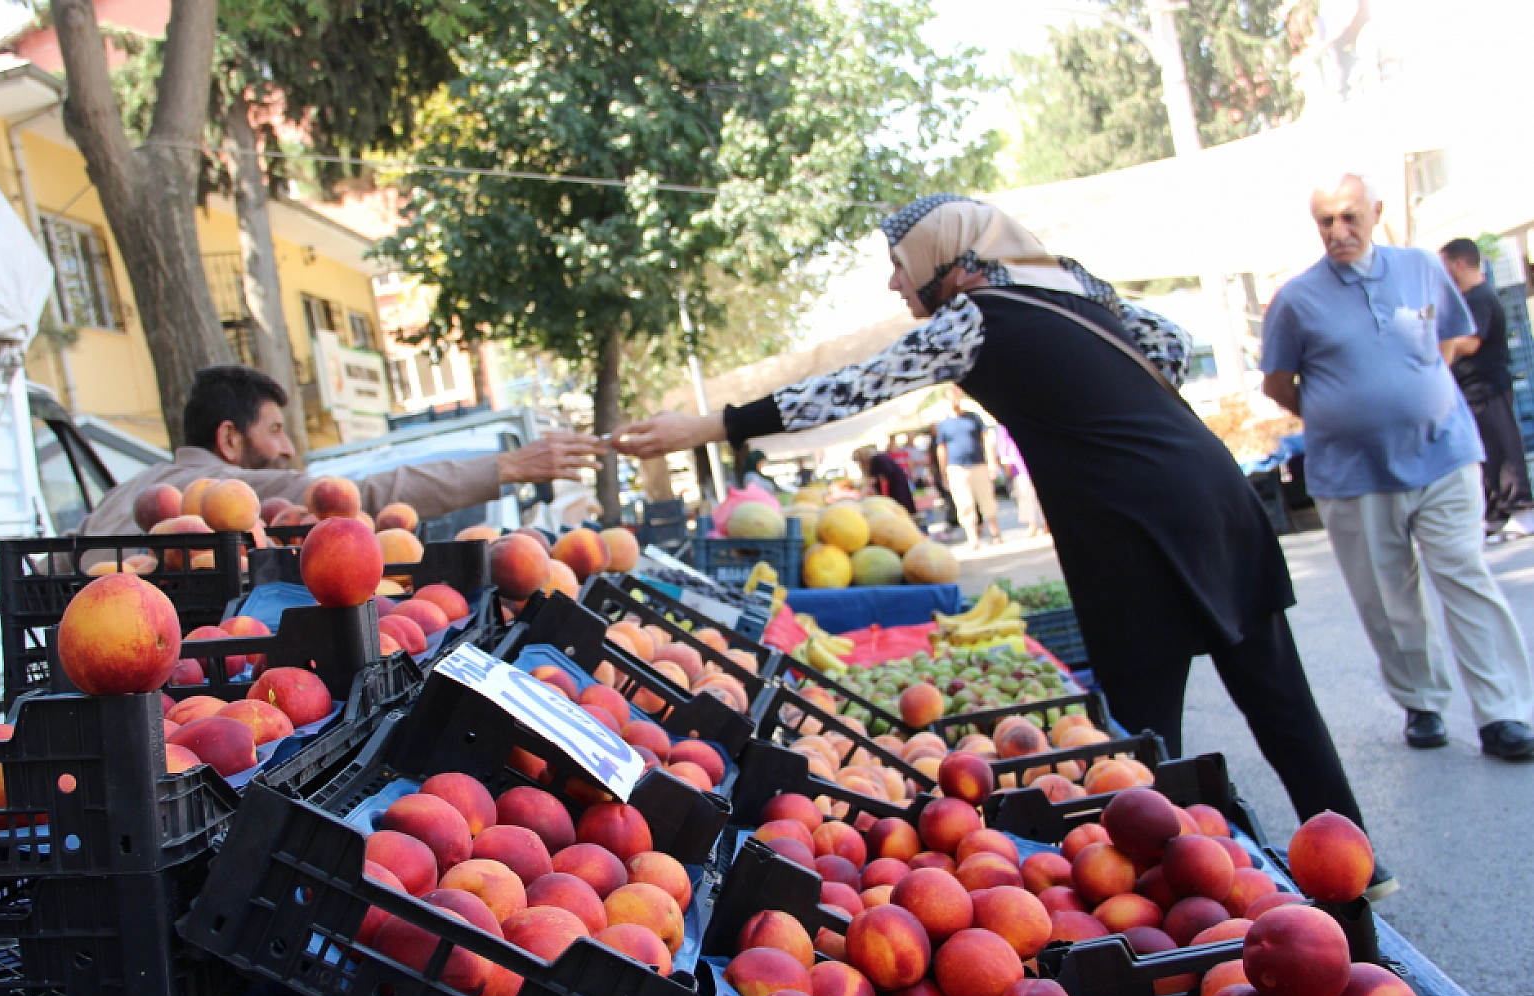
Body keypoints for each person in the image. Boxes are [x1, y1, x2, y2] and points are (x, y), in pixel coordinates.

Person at [613, 193, 1389, 893]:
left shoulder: (976, 317)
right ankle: (1357, 872)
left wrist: (710, 425)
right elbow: (1170, 343)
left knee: (1140, 737)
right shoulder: (1072, 284)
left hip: (1129, 525)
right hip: (1211, 490)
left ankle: (1177, 893)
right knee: (1279, 700)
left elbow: (853, 386)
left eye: (900, 264)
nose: (894, 282)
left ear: (944, 258)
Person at [1262, 174, 1534, 761]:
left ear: (1376, 212)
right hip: (1353, 473)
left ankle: (1504, 713)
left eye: (1350, 217)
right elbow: (1278, 384)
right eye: (1326, 221)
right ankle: (1423, 702)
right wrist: (1342, 413)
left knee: (1465, 576)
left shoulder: (1422, 268)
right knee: (1387, 596)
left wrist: (1411, 394)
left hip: (1444, 454)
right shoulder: (1296, 300)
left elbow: (1450, 341)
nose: (1339, 231)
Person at [82, 364, 605, 535]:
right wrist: (508, 466)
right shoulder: (228, 491)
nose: (287, 448)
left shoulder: (119, 495)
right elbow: (366, 494)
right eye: (275, 431)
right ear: (229, 440)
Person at [1438, 238, 1534, 541]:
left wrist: (1439, 340)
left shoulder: (1480, 298)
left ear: (1459, 263)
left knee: (1503, 450)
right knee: (1485, 455)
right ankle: (1496, 515)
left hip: (1488, 386)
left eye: (1444, 267)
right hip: (1470, 390)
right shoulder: (1466, 299)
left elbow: (1471, 342)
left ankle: (1521, 510)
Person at [933, 387, 1002, 546]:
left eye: (956, 397)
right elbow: (941, 449)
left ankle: (995, 532)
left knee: (987, 499)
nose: (954, 401)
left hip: (978, 464)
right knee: (964, 503)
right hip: (956, 468)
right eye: (951, 398)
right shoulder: (943, 424)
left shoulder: (973, 417)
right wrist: (943, 473)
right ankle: (972, 537)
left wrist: (992, 461)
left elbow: (986, 439)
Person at [995, 424, 1046, 537]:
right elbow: (1003, 443)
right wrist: (1005, 462)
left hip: (1038, 459)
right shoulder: (1003, 424)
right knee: (1025, 495)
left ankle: (1046, 523)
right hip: (1018, 464)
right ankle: (1032, 524)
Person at [854, 445, 917, 514]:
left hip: (895, 486)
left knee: (901, 504)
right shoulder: (878, 458)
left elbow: (881, 478)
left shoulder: (876, 460)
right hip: (897, 483)